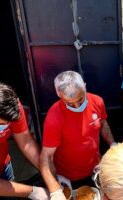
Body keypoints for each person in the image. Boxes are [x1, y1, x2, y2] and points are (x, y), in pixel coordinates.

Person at [40, 71, 115, 199]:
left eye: (80, 99)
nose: (77, 106)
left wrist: (112, 144)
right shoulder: (54, 116)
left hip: (95, 169)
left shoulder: (97, 101)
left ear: (84, 87)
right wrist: (55, 186)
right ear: (59, 94)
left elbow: (103, 125)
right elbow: (46, 156)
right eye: (69, 103)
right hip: (68, 178)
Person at [0, 82, 48, 199]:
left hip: (3, 165)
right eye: (1, 124)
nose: (6, 126)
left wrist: (48, 173)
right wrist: (32, 191)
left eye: (8, 123)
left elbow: (26, 142)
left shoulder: (9, 105)